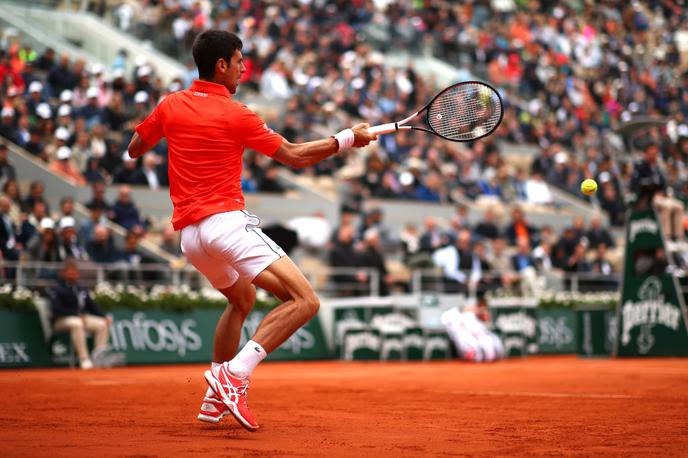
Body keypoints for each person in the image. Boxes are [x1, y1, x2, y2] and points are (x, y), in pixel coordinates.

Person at [127, 30, 375, 431]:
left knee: (241, 299)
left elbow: (135, 147)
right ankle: (233, 374)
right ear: (221, 65)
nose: (244, 68)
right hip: (225, 224)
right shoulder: (237, 113)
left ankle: (212, 398)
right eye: (240, 61)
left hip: (191, 238)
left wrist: (176, 134)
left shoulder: (171, 104)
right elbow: (294, 155)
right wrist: (346, 138)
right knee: (305, 301)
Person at [49, 259, 111, 370]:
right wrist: (75, 315)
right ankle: (84, 359)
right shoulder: (57, 289)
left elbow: (91, 306)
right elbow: (56, 309)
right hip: (61, 321)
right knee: (77, 323)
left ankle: (98, 358)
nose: (72, 274)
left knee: (102, 324)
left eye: (74, 272)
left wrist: (103, 316)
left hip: (80, 318)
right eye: (69, 272)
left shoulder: (81, 288)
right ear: (64, 273)